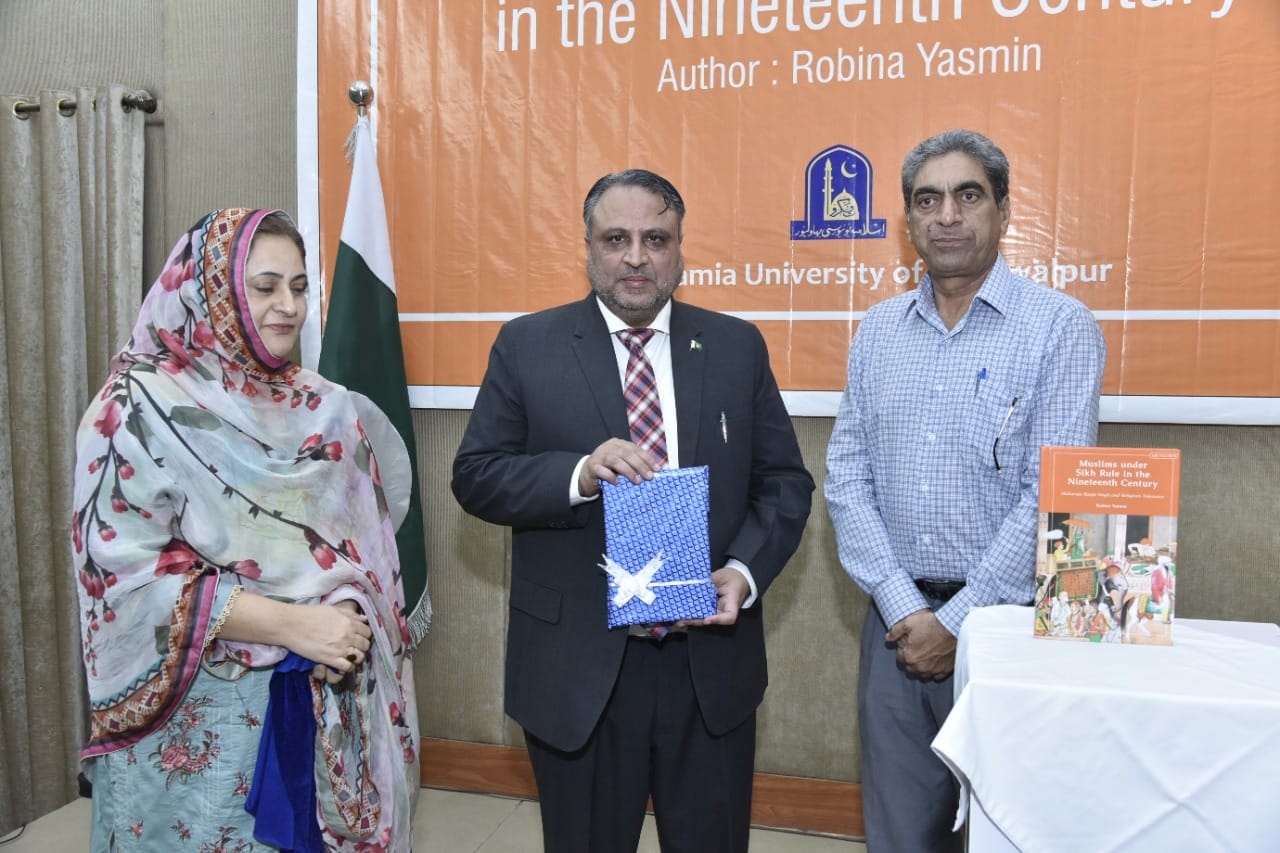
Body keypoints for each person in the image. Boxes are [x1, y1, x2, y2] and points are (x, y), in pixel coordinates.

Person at [451, 169, 814, 852]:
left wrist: (743, 572)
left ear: (680, 248)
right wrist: (579, 474)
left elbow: (785, 484)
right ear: (588, 247)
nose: (637, 257)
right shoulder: (527, 345)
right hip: (578, 667)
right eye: (616, 239)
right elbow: (476, 476)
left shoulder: (736, 346)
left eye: (656, 239)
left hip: (707, 664)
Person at [71, 209, 419, 851]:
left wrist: (345, 611)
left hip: (315, 700)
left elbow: (367, 547)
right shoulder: (136, 407)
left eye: (299, 286)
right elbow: (122, 580)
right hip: (193, 712)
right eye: (264, 286)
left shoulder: (322, 405)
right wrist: (293, 625)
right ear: (210, 291)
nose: (288, 306)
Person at [825, 129, 1105, 851]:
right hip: (895, 627)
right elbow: (847, 478)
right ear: (908, 221)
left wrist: (959, 623)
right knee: (901, 834)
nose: (947, 215)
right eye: (928, 200)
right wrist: (906, 608)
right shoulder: (878, 330)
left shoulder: (1059, 327)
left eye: (968, 195)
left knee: (1008, 830)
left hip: (1011, 627)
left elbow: (1056, 494)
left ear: (1004, 211)